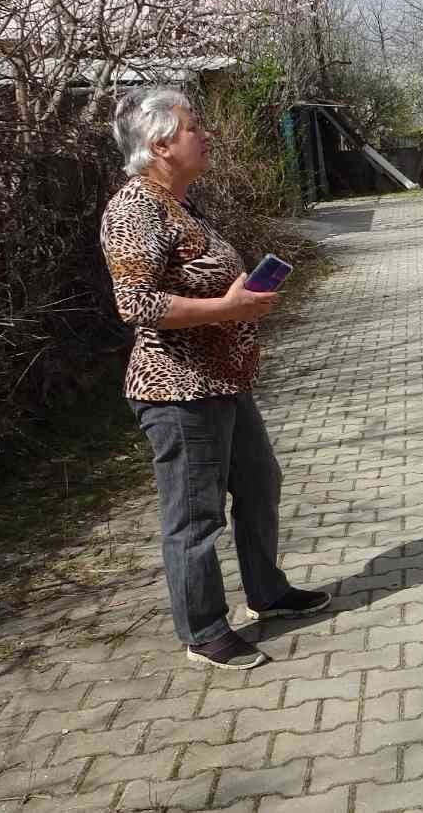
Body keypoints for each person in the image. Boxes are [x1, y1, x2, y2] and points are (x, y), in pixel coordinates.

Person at [100, 87, 331, 671]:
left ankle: (268, 592)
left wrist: (242, 299)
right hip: (176, 388)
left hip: (224, 380)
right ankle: (203, 630)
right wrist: (227, 311)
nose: (205, 136)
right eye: (193, 128)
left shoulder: (182, 204)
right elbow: (136, 303)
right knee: (194, 514)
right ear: (158, 145)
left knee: (258, 485)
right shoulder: (136, 207)